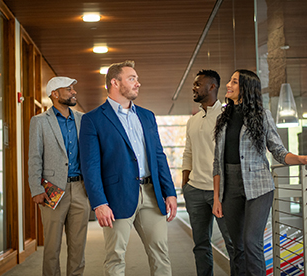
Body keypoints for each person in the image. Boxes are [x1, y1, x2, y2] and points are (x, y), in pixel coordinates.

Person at [212, 69, 307, 276]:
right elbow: (217, 162)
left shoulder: (262, 115)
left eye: (234, 82)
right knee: (236, 247)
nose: (228, 85)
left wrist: (298, 159)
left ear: (246, 88)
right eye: (230, 81)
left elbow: (278, 151)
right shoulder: (223, 118)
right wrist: (216, 197)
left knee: (251, 241)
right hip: (230, 186)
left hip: (259, 186)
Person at [79, 60, 177, 276]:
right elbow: (90, 166)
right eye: (132, 78)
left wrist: (169, 192)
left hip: (152, 194)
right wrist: (99, 203)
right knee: (115, 257)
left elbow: (159, 156)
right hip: (117, 196)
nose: (138, 83)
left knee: (161, 254)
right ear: (115, 82)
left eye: (137, 78)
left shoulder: (147, 116)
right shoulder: (93, 120)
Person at [28, 76, 90, 276]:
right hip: (52, 191)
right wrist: (36, 189)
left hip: (81, 190)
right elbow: (35, 157)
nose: (74, 92)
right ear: (55, 94)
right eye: (69, 89)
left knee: (78, 246)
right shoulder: (39, 122)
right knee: (52, 247)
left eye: (73, 88)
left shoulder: (83, 119)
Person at [182, 69, 235, 276]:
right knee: (201, 244)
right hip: (195, 190)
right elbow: (188, 152)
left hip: (221, 192)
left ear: (212, 87)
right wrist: (185, 183)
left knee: (232, 244)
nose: (194, 87)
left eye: (198, 84)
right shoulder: (192, 121)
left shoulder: (226, 116)